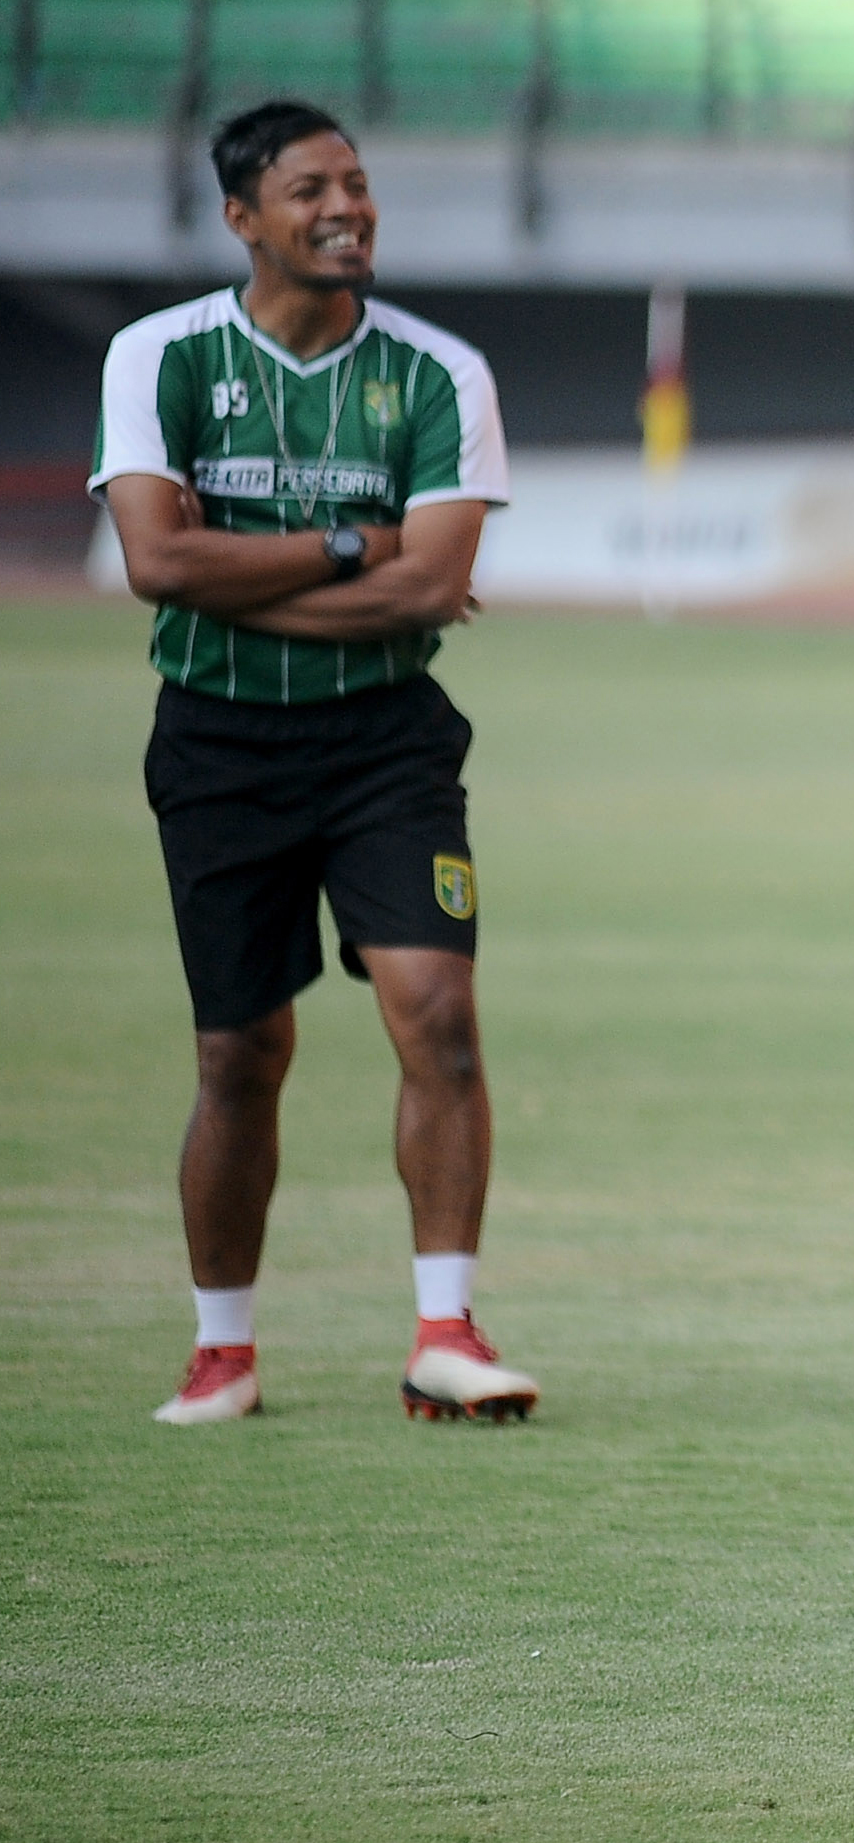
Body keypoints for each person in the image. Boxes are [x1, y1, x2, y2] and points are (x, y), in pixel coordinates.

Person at [92, 100, 528, 1429]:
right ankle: (225, 1347)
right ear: (244, 219)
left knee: (438, 1015)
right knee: (240, 1055)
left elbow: (434, 585)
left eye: (358, 184)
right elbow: (155, 565)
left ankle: (445, 1330)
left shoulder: (441, 375)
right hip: (218, 742)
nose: (347, 208)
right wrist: (351, 547)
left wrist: (234, 578)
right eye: (311, 190)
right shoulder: (155, 358)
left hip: (386, 740)